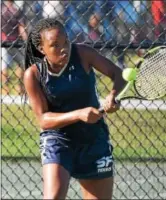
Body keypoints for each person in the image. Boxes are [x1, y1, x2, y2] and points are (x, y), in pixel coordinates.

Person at [23, 18, 126, 199]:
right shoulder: (33, 74)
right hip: (58, 139)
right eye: (55, 45)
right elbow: (43, 120)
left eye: (65, 42)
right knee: (53, 196)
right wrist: (79, 114)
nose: (63, 48)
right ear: (42, 49)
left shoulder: (83, 54)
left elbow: (118, 74)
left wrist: (113, 95)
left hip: (93, 138)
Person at [1, 0, 26, 95]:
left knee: (4, 66)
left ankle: (5, 88)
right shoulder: (16, 10)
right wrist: (25, 39)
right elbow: (21, 27)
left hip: (3, 40)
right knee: (21, 64)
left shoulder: (1, 10)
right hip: (15, 41)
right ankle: (18, 87)